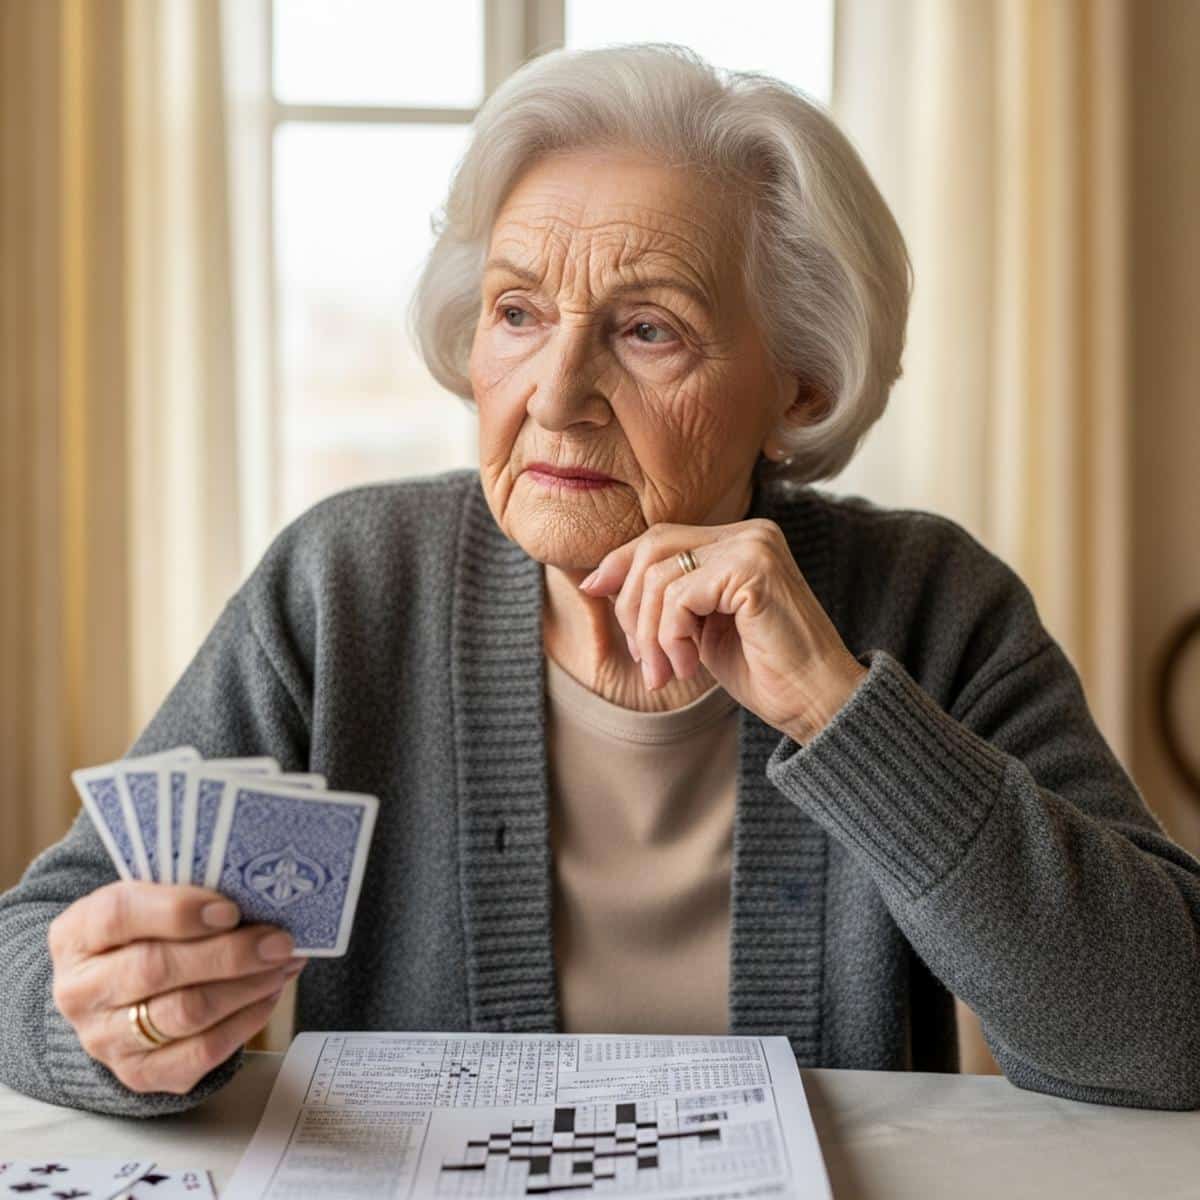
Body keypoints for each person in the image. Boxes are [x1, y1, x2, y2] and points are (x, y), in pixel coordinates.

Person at [2, 42, 1198, 1118]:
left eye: (648, 330)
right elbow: (24, 959)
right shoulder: (347, 585)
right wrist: (120, 1023)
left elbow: (1172, 1037)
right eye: (517, 312)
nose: (556, 393)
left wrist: (841, 711)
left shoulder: (932, 604)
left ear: (799, 389)